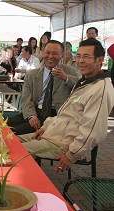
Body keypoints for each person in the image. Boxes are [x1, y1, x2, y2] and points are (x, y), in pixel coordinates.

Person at [20, 38, 114, 171]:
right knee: (10, 141)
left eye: (86, 57)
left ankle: (26, 186)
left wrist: (71, 155)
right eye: (79, 56)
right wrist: (46, 127)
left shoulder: (100, 88)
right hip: (52, 133)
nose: (80, 61)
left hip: (61, 143)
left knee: (14, 152)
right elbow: (66, 114)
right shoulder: (86, 82)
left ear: (100, 60)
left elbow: (93, 131)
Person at [9, 40, 79, 135]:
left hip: (56, 115)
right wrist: (31, 116)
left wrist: (66, 78)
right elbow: (26, 99)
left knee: (13, 133)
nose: (50, 56)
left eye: (54, 54)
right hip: (35, 111)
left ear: (61, 55)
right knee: (4, 125)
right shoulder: (32, 74)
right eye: (48, 53)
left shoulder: (71, 72)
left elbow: (81, 88)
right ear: (42, 53)